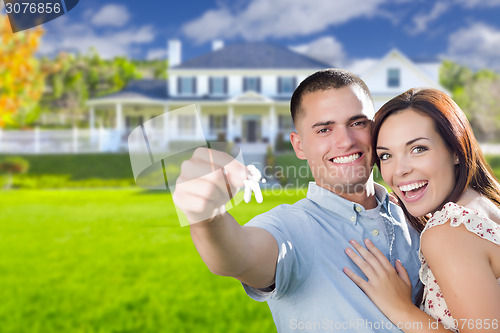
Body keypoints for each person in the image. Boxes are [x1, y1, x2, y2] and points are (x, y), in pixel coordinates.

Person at [173, 69, 423, 332]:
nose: (346, 141)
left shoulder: (413, 212)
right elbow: (238, 256)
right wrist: (208, 218)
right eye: (324, 129)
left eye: (358, 123)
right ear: (299, 145)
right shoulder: (291, 226)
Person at [343, 88, 500, 332]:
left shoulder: (448, 233)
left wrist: (400, 308)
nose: (400, 170)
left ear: (456, 150)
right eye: (386, 156)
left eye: (418, 149)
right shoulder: (484, 205)